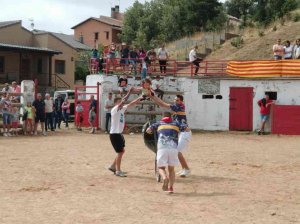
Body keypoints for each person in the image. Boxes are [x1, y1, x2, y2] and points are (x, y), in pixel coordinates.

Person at [149, 94, 192, 177]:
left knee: (177, 152)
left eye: (177, 100)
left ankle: (186, 169)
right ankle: (184, 169)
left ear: (181, 102)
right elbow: (163, 105)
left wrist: (152, 96)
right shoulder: (177, 107)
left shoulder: (179, 107)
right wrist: (152, 96)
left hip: (185, 132)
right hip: (182, 132)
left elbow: (162, 104)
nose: (175, 101)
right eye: (175, 100)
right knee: (177, 151)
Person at [146, 111, 189, 193]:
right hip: (173, 148)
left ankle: (165, 178)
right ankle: (171, 188)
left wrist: (152, 131)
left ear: (163, 117)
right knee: (171, 170)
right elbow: (187, 129)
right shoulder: (176, 123)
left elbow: (148, 130)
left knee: (161, 168)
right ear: (170, 117)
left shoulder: (158, 123)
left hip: (162, 148)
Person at [108, 96, 142, 177]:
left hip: (118, 133)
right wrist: (129, 92)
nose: (121, 103)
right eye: (119, 102)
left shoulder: (121, 109)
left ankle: (113, 166)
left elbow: (131, 104)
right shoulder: (115, 109)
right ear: (116, 103)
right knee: (120, 152)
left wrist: (140, 97)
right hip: (115, 134)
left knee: (121, 151)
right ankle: (118, 171)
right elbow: (123, 103)